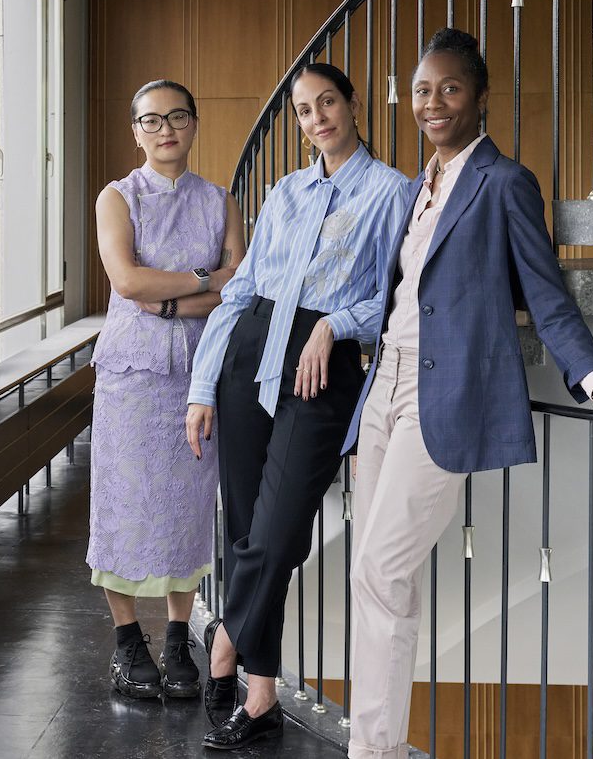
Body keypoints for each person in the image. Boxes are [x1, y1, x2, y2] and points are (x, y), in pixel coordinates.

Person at [343, 28, 593, 759]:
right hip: (384, 386)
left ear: (482, 100)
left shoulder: (505, 182)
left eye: (449, 88)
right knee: (376, 574)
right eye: (420, 90)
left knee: (381, 567)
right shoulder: (419, 185)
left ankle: (369, 750)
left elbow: (549, 297)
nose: (432, 103)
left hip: (443, 396)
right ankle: (379, 742)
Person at [186, 63, 412, 749]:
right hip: (249, 352)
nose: (318, 118)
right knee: (246, 533)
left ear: (352, 103)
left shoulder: (392, 192)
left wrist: (333, 324)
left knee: (278, 533)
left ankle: (222, 637)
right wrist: (202, 384)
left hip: (320, 368)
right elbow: (243, 286)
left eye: (329, 102)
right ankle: (259, 696)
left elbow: (394, 299)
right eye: (306, 110)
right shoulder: (286, 190)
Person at [89, 80, 246, 700]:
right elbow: (127, 281)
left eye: (177, 117)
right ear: (136, 132)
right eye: (151, 121)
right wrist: (205, 282)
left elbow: (239, 285)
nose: (165, 130)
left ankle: (180, 635)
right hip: (131, 376)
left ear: (195, 124)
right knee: (123, 505)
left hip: (200, 377)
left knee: (188, 508)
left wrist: (176, 296)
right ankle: (128, 642)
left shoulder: (221, 200)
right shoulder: (117, 198)